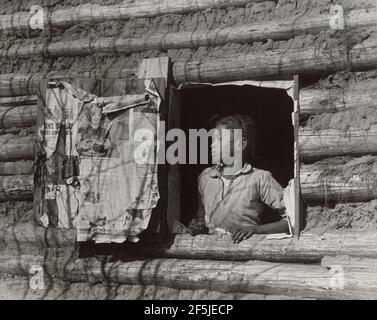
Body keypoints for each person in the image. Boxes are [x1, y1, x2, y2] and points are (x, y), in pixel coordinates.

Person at [188, 115, 289, 244]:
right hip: (211, 255)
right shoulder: (206, 177)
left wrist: (256, 229)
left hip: (245, 254)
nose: (212, 145)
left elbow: (291, 220)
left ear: (240, 144)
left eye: (219, 139)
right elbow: (202, 217)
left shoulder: (260, 178)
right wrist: (199, 225)